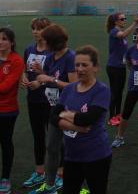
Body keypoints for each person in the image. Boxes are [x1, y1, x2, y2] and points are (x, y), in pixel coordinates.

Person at [51, 45, 112, 194]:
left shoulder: (101, 90)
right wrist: (76, 127)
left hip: (96, 155)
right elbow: (53, 117)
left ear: (95, 67)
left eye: (84, 65)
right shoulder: (69, 89)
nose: (79, 69)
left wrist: (65, 114)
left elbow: (87, 119)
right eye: (77, 65)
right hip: (72, 155)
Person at [31, 24, 77, 194]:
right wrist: (41, 72)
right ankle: (50, 185)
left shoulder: (70, 58)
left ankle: (73, 185)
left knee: (71, 149)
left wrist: (48, 78)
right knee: (51, 147)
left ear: (53, 42)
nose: (43, 42)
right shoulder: (51, 57)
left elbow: (73, 86)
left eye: (46, 40)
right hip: (55, 109)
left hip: (69, 111)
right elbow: (52, 76)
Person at [21, 17, 52, 189]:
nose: (35, 31)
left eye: (39, 28)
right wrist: (24, 79)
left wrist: (40, 82)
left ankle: (59, 173)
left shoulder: (53, 52)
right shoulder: (28, 49)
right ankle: (39, 172)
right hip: (33, 100)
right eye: (33, 28)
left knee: (54, 139)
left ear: (47, 30)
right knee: (38, 137)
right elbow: (25, 70)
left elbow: (56, 75)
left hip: (49, 100)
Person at [0, 27, 25, 194]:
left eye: (4, 39)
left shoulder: (16, 61)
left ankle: (5, 178)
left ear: (11, 42)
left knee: (5, 142)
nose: (0, 42)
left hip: (6, 110)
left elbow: (6, 87)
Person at [105, 13, 138, 127]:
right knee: (114, 92)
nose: (124, 20)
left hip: (121, 66)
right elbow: (123, 34)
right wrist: (135, 23)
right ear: (116, 22)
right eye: (122, 19)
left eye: (125, 18)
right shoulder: (114, 31)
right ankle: (111, 117)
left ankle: (118, 114)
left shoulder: (119, 32)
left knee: (119, 92)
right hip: (113, 67)